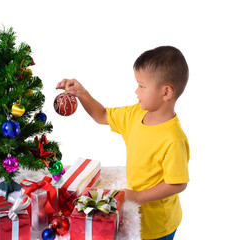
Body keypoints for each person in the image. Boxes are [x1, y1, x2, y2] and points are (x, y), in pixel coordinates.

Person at [56, 46, 190, 240]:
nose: (136, 91)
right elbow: (102, 115)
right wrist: (81, 93)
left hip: (159, 225)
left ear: (166, 92)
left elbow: (177, 184)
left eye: (142, 86)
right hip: (133, 213)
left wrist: (137, 197)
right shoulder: (135, 114)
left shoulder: (173, 138)